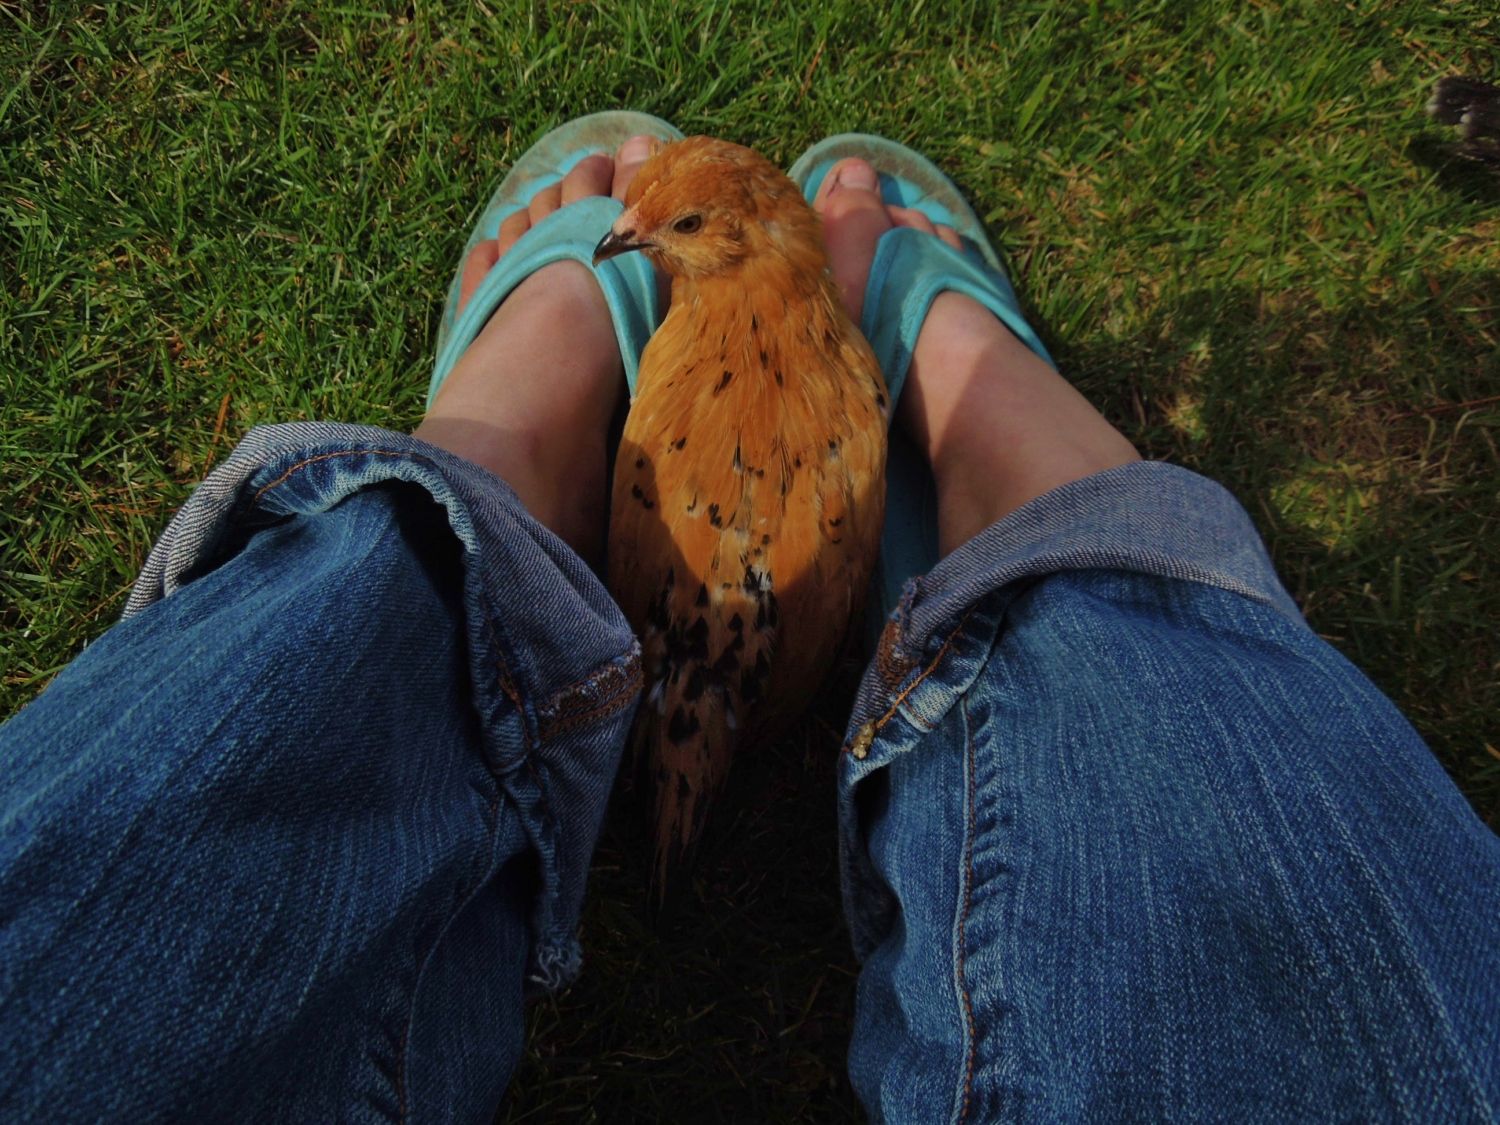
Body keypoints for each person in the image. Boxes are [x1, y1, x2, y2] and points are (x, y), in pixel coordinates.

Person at [2, 113, 1496, 1123]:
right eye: (639, 230)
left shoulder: (727, 307)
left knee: (317, 635)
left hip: (702, 637)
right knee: (1152, 657)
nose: (637, 234)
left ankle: (495, 495)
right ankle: (1023, 503)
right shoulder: (752, 296)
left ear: (748, 227)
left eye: (671, 230)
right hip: (756, 630)